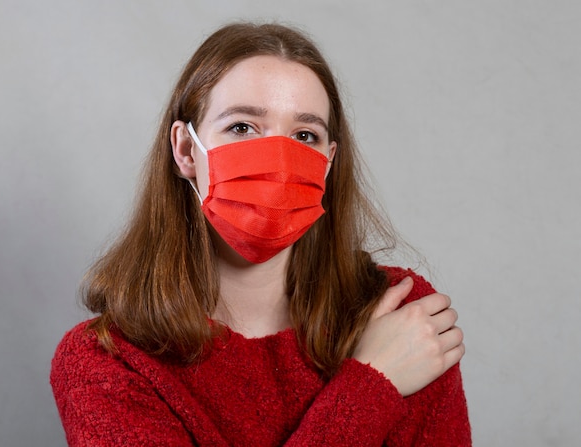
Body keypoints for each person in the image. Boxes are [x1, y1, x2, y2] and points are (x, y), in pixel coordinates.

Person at [51, 22, 470, 446]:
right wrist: (372, 384)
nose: (280, 160)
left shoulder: (400, 315)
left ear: (327, 163)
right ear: (185, 150)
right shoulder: (106, 362)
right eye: (242, 127)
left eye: (305, 135)